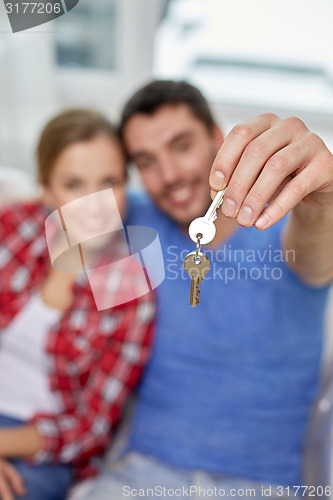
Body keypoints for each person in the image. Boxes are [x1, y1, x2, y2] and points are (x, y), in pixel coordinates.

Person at [81, 80, 333, 499]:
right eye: (147, 161)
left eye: (181, 146)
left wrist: (324, 202)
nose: (169, 176)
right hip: (138, 478)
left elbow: (315, 244)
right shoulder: (135, 217)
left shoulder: (288, 228)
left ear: (218, 139)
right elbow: (39, 220)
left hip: (258, 486)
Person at [0, 109, 155, 500]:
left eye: (109, 182)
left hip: (38, 451)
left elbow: (90, 427)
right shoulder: (13, 228)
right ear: (46, 190)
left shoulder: (130, 289)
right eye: (74, 184)